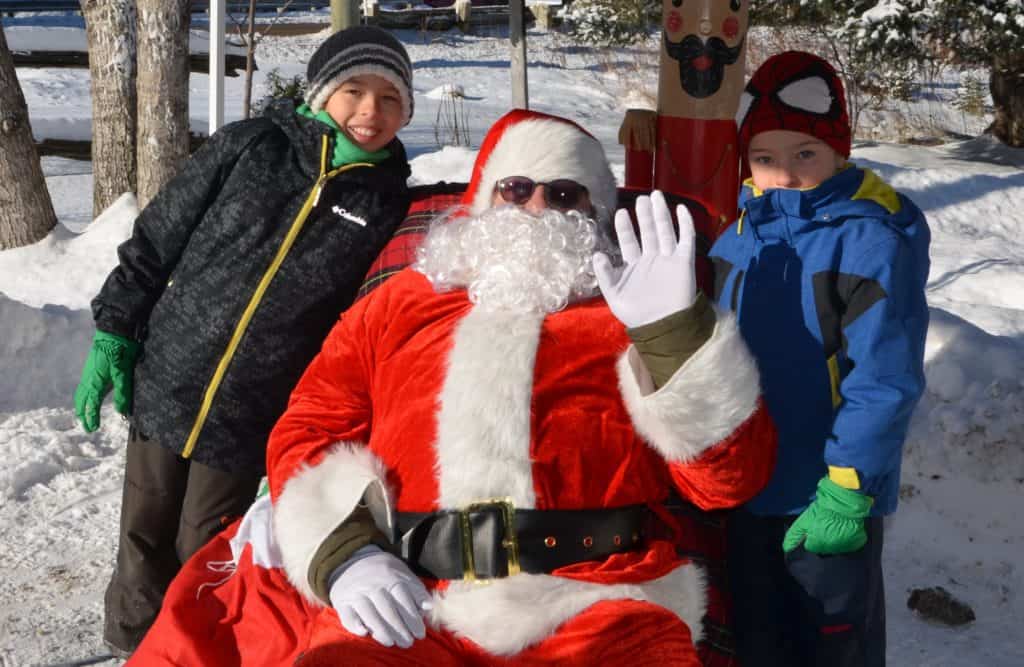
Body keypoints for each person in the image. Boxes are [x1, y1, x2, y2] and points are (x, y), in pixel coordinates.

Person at [126, 109, 777, 666]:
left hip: (601, 601)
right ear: (484, 197)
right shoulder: (402, 304)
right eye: (517, 188)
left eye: (565, 194)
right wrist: (343, 554)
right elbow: (310, 428)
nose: (535, 209)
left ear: (596, 212)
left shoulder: (637, 312)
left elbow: (729, 482)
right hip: (415, 596)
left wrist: (677, 336)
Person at [72, 26, 417, 656]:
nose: (371, 111)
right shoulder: (253, 145)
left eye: (391, 98)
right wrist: (115, 331)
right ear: (320, 94)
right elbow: (156, 237)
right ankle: (130, 648)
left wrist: (299, 445)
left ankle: (188, 652)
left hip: (253, 414)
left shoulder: (385, 202)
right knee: (141, 537)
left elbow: (355, 326)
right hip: (169, 380)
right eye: (354, 90)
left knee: (206, 553)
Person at [710, 51, 930, 666]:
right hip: (750, 496)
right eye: (765, 157)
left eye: (804, 153)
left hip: (828, 498)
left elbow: (885, 379)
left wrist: (849, 487)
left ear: (838, 151)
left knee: (831, 647)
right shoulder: (737, 239)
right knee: (759, 645)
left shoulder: (868, 244)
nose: (784, 173)